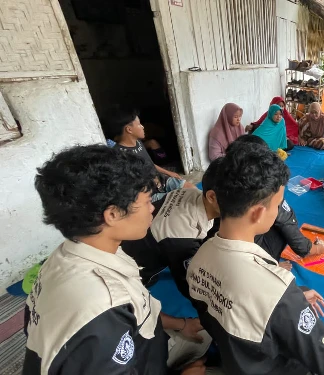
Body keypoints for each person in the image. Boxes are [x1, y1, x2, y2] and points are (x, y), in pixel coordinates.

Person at [186, 143, 324, 375]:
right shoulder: (275, 290)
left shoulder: (199, 257)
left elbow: (234, 303)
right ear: (259, 212)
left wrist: (295, 296)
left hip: (237, 356)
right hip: (268, 366)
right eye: (277, 204)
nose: (279, 210)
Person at [23, 145, 205, 375]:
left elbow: (138, 308)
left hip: (146, 347)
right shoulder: (102, 306)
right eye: (148, 201)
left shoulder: (67, 257)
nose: (153, 208)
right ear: (113, 214)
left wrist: (182, 325)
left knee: (203, 335)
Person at [208, 135, 324, 268]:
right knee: (282, 221)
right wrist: (314, 249)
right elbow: (289, 228)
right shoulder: (266, 189)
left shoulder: (219, 173)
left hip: (219, 249)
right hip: (250, 263)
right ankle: (267, 264)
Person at [121, 159, 221, 298]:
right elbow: (189, 284)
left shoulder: (191, 193)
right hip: (137, 275)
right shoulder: (183, 239)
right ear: (212, 196)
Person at [104, 107, 196, 202]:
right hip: (150, 195)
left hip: (161, 181)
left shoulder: (138, 142)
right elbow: (132, 188)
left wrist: (168, 173)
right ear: (129, 130)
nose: (143, 126)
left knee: (192, 190)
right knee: (182, 201)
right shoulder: (120, 156)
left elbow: (149, 163)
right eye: (139, 124)